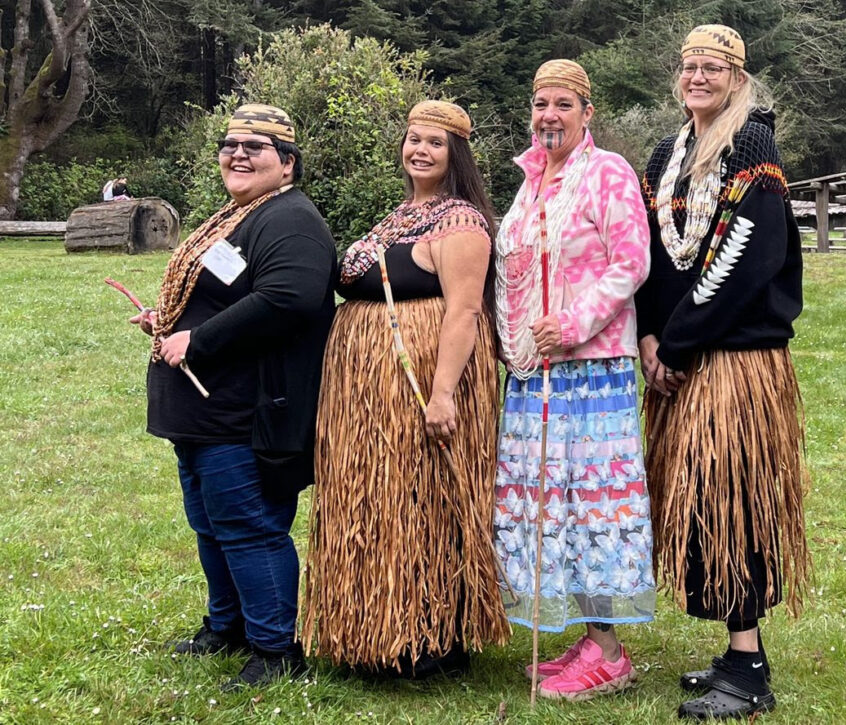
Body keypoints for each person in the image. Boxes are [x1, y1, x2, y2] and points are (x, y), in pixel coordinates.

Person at [635, 25, 811, 720]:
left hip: (733, 364)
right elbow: (654, 254)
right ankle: (738, 654)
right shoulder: (665, 155)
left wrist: (677, 346)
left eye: (712, 67)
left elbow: (746, 257)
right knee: (702, 508)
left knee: (730, 501)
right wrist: (650, 333)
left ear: (737, 79)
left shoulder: (752, 147)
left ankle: (749, 668)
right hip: (682, 362)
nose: (697, 77)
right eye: (689, 66)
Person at [131, 103, 338, 690]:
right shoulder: (238, 215)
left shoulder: (290, 219)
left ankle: (275, 651)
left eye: (257, 147)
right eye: (230, 145)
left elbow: (288, 298)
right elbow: (225, 292)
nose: (239, 154)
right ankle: (229, 627)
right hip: (205, 411)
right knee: (210, 522)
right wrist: (169, 318)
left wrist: (198, 337)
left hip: (247, 409)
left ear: (288, 163)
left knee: (249, 525)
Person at [301, 100, 508, 677]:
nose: (420, 150)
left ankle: (431, 636)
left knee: (422, 499)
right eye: (413, 139)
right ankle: (373, 629)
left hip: (418, 380)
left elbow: (464, 312)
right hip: (368, 390)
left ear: (456, 155)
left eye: (435, 143)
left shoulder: (461, 222)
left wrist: (442, 394)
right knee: (375, 496)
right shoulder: (400, 214)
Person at [492, 59, 655, 701]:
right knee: (548, 505)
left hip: (592, 371)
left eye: (563, 104)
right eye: (540, 104)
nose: (548, 116)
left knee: (590, 505)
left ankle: (611, 654)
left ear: (588, 114)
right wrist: (519, 339)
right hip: (536, 370)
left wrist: (574, 322)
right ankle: (591, 637)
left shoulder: (607, 173)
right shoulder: (530, 183)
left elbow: (631, 263)